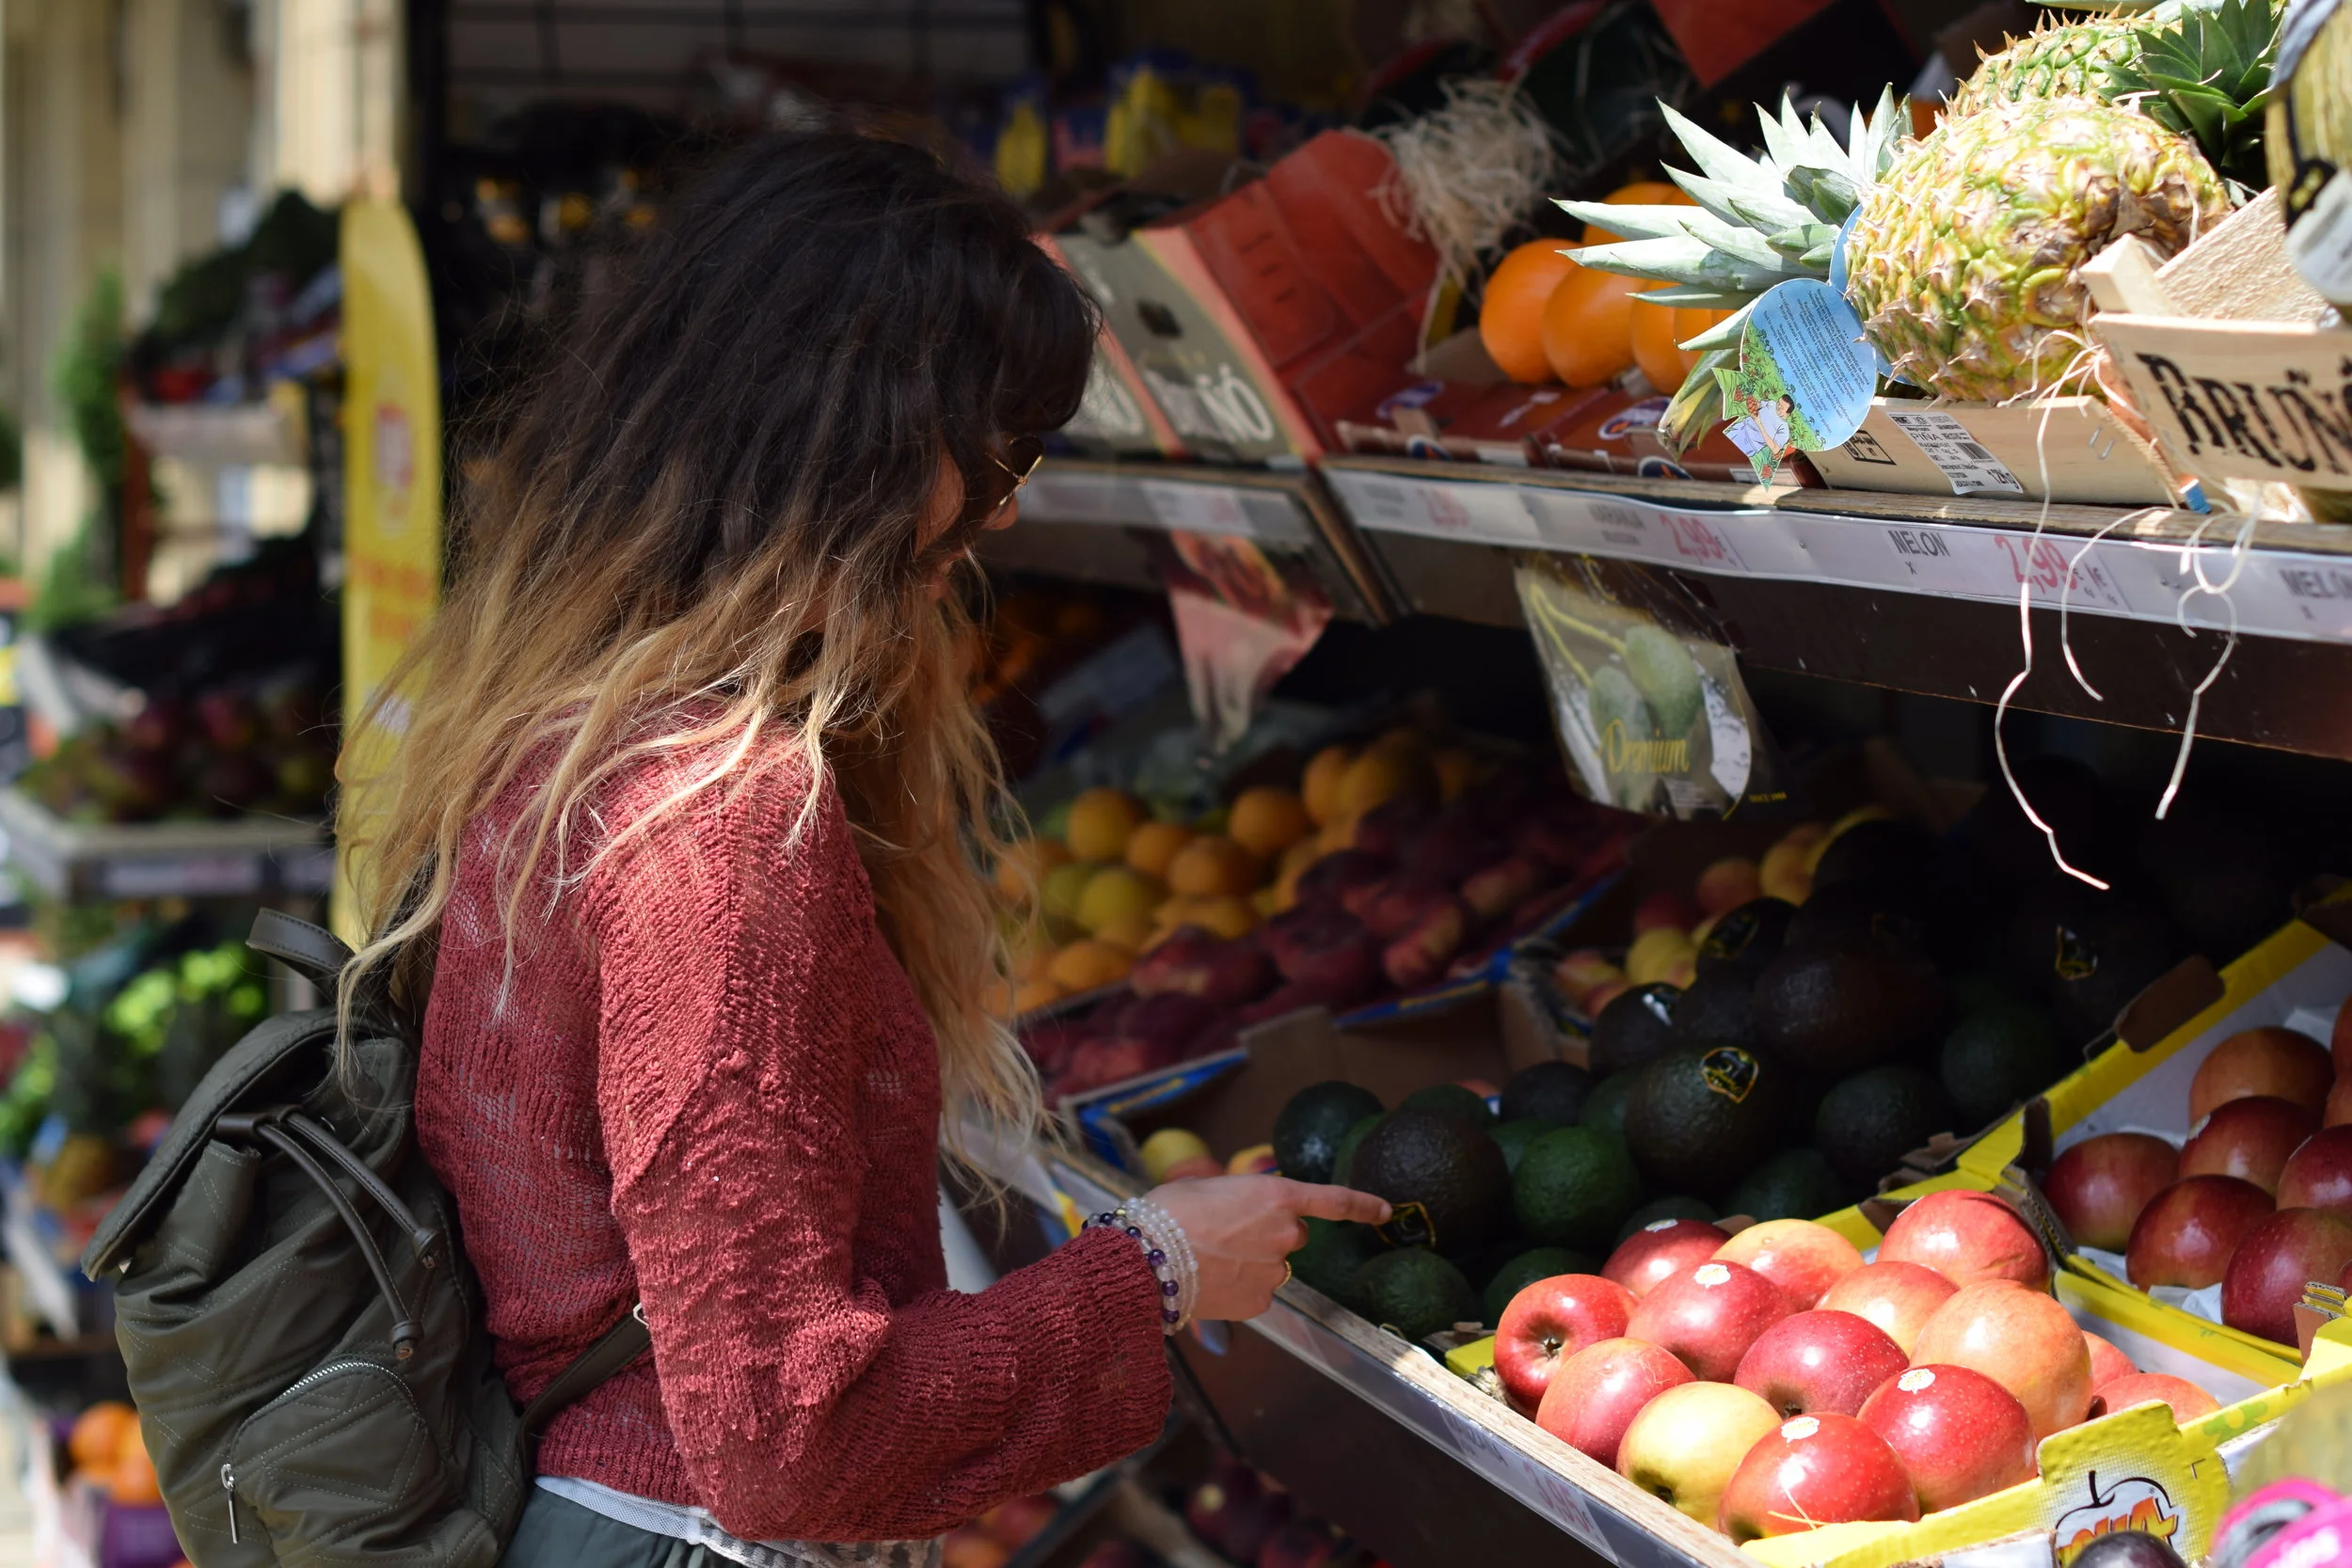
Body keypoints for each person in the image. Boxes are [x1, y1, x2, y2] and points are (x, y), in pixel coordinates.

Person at [335, 129, 1390, 1568]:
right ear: (858, 445)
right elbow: (785, 1439)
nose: (1005, 512)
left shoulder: (568, 739)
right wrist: (1157, 1267)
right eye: (997, 452)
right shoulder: (717, 826)